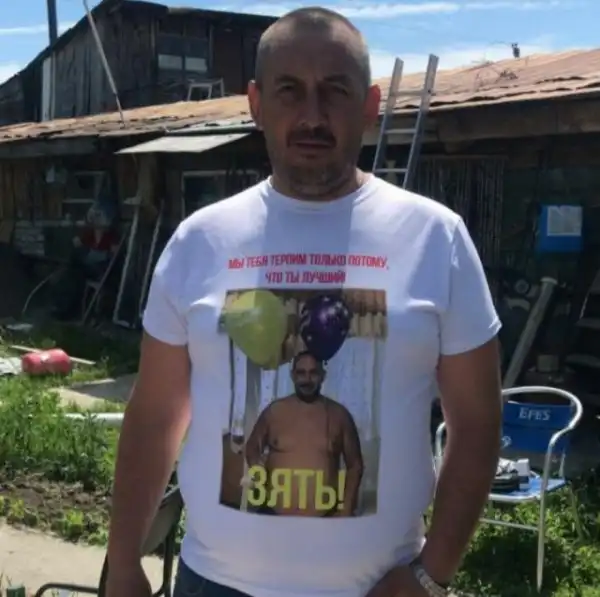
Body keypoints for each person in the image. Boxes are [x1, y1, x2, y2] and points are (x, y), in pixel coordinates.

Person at [105, 6, 502, 597]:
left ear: (368, 105)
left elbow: (477, 422)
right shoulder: (200, 241)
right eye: (289, 90)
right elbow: (157, 414)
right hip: (215, 584)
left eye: (335, 90)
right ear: (256, 103)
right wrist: (121, 562)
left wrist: (430, 574)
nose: (312, 116)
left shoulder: (435, 238)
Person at [243, 351, 364, 517]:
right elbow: (252, 448)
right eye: (301, 373)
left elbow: (355, 465)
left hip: (324, 518)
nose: (307, 379)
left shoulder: (339, 415)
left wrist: (346, 509)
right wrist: (258, 470)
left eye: (313, 373)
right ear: (293, 376)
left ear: (323, 376)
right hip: (274, 515)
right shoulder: (274, 412)